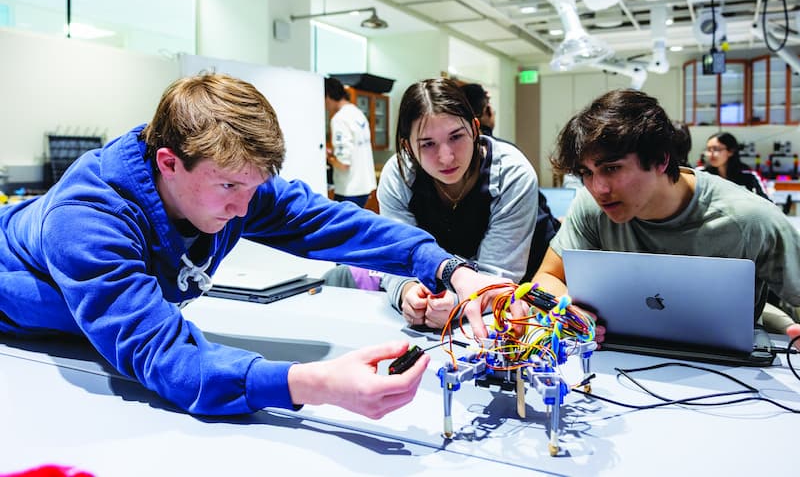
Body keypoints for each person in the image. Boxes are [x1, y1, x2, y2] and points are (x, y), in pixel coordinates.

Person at [0, 73, 515, 418]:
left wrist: (451, 269)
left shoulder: (230, 180)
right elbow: (163, 356)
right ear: (168, 163)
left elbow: (333, 222)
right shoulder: (86, 223)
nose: (244, 208)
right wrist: (314, 384)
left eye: (253, 187)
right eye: (229, 187)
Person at [530, 88, 800, 348]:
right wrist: (565, 308)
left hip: (727, 364)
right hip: (618, 354)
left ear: (661, 160)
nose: (598, 188)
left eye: (611, 168)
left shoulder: (748, 219)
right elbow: (546, 277)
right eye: (586, 173)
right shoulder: (590, 207)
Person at [376, 78, 543, 329]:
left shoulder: (512, 174)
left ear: (475, 129)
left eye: (456, 137)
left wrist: (456, 303)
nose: (446, 157)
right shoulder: (398, 176)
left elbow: (498, 274)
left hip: (508, 301)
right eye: (427, 144)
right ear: (407, 146)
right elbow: (396, 255)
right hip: (435, 298)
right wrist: (406, 291)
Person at [460, 81, 562, 258]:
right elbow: (539, 213)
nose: (446, 157)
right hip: (535, 253)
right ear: (487, 111)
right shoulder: (506, 157)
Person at [324, 76, 376, 208]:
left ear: (328, 96)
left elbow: (343, 163)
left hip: (349, 189)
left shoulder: (339, 119)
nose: (324, 106)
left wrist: (328, 158)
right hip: (364, 186)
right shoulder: (357, 113)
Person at [700, 131, 769, 199]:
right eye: (708, 149)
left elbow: (767, 202)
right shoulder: (701, 175)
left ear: (731, 151)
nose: (711, 154)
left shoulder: (749, 176)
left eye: (716, 149)